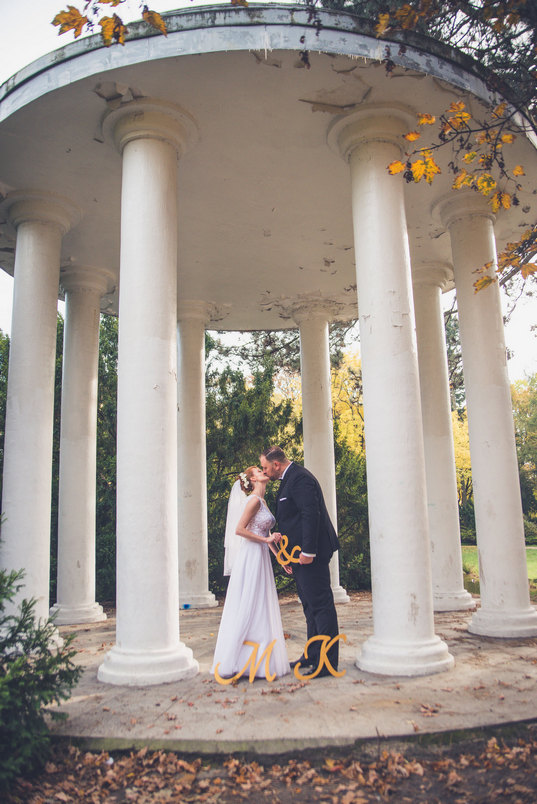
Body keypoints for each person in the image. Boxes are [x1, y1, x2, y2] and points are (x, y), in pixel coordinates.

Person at [260, 446, 340, 677]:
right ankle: (312, 655)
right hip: (296, 556)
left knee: (321, 606)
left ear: (276, 464)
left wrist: (308, 552)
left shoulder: (301, 478)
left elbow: (310, 515)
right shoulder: (288, 479)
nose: (265, 472)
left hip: (310, 555)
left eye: (265, 467)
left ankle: (327, 663)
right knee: (309, 606)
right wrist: (286, 556)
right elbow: (292, 521)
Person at [211, 466, 290, 681]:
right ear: (253, 479)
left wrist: (280, 557)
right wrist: (266, 540)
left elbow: (266, 532)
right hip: (251, 555)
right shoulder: (253, 500)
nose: (263, 472)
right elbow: (240, 530)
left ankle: (258, 661)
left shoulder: (262, 501)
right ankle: (237, 660)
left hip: (261, 555)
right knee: (250, 601)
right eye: (258, 471)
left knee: (260, 603)